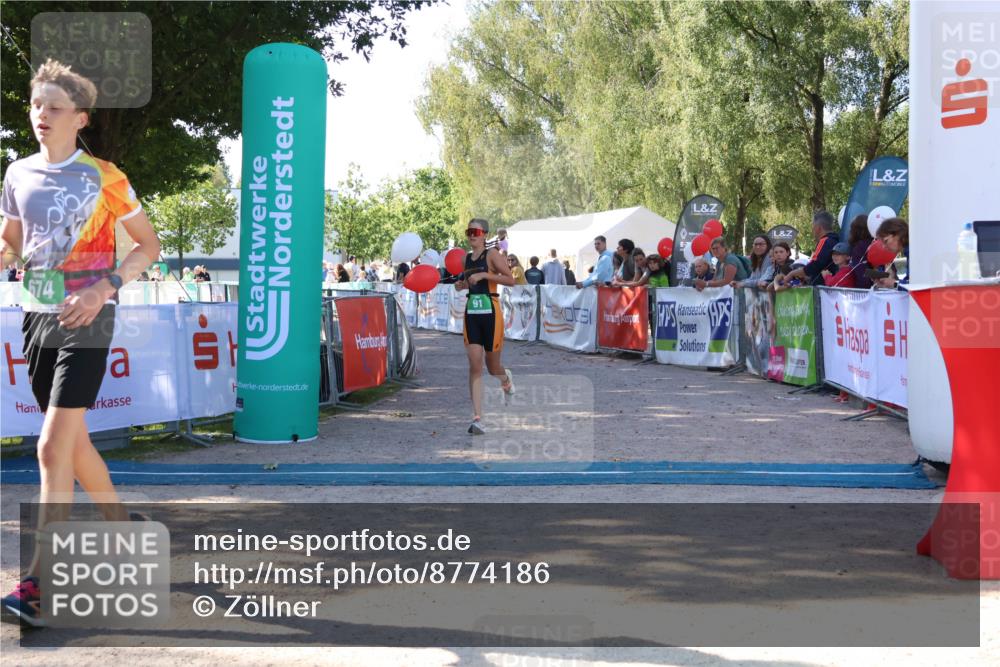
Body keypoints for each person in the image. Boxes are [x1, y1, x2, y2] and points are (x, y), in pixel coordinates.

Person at [0, 60, 161, 626]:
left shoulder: (106, 176)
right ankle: (125, 530)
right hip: (36, 317)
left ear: (80, 117)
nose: (41, 115)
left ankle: (41, 585)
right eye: (36, 105)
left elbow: (148, 244)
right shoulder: (17, 173)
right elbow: (11, 245)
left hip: (90, 319)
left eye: (54, 107)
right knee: (74, 445)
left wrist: (104, 286)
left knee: (49, 449)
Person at [453, 218, 515, 435]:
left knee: (493, 367)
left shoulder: (493, 255)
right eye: (469, 231)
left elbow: (510, 280)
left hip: (491, 313)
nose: (472, 235)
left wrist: (485, 274)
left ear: (485, 234)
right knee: (475, 365)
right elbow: (464, 283)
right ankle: (478, 418)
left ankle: (505, 380)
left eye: (476, 231)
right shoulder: (465, 259)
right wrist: (460, 285)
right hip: (472, 314)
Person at [781, 211, 840, 287]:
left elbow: (814, 265)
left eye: (813, 226)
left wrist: (791, 274)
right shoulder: (835, 240)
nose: (812, 230)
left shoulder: (824, 240)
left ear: (818, 228)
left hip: (823, 288)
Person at [875, 217, 909, 288]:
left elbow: (913, 286)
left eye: (886, 241)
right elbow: (904, 282)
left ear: (898, 234)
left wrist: (893, 283)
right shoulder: (902, 254)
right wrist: (885, 283)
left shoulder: (913, 253)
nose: (884, 247)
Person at [847, 214, 874, 289]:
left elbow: (861, 272)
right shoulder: (877, 243)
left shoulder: (859, 247)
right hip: (883, 288)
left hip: (865, 292)